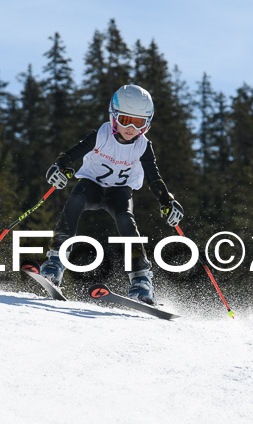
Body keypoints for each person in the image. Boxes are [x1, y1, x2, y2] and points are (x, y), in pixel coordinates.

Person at [40, 84, 184, 304]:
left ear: (147, 124)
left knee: (125, 218)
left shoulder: (143, 146)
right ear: (114, 116)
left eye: (139, 123)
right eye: (126, 120)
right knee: (76, 198)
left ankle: (141, 281)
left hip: (119, 192)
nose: (131, 128)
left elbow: (154, 178)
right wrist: (59, 167)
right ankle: (56, 261)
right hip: (93, 187)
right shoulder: (102, 135)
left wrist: (167, 201)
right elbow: (71, 154)